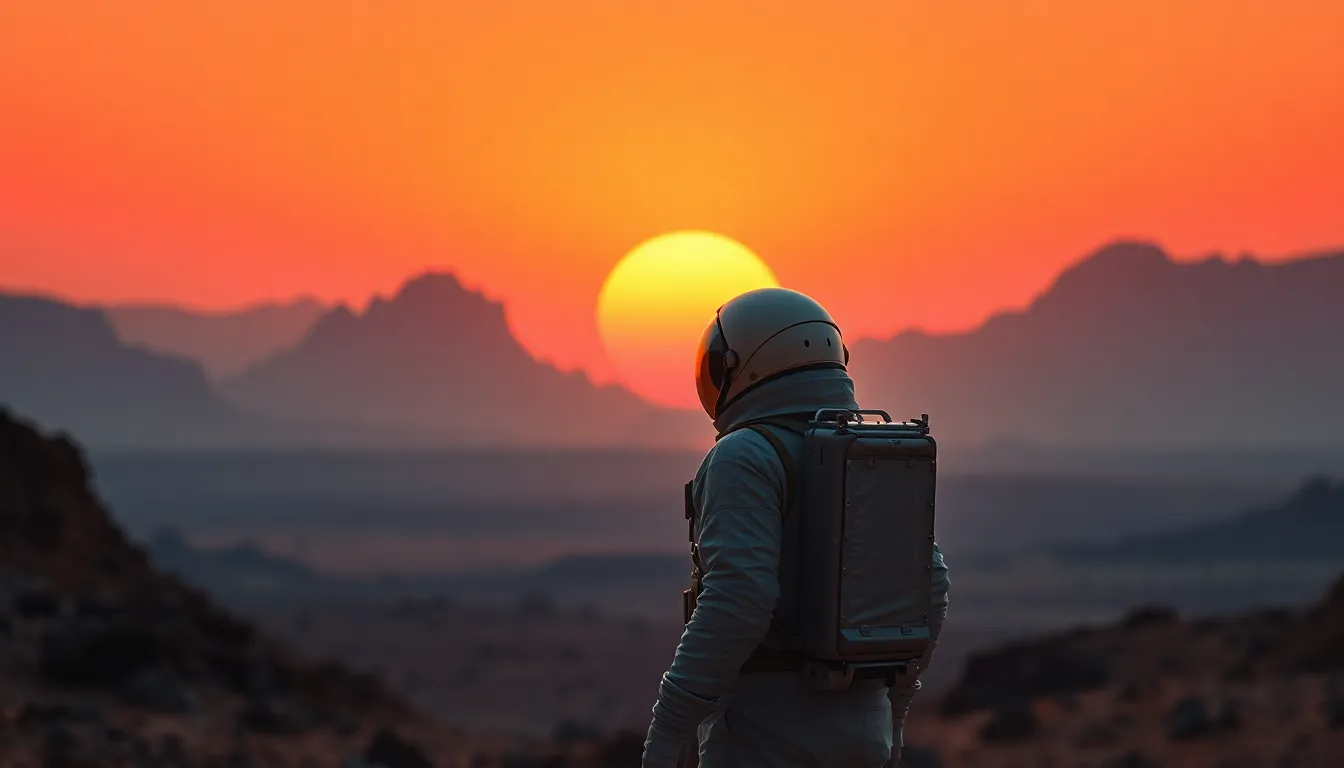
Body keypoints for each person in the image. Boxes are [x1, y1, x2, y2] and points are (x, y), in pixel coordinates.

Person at [641, 287, 950, 768]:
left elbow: (738, 599)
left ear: (739, 367)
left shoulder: (744, 456)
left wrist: (669, 727)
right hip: (864, 736)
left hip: (764, 739)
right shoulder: (874, 451)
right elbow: (929, 586)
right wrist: (893, 714)